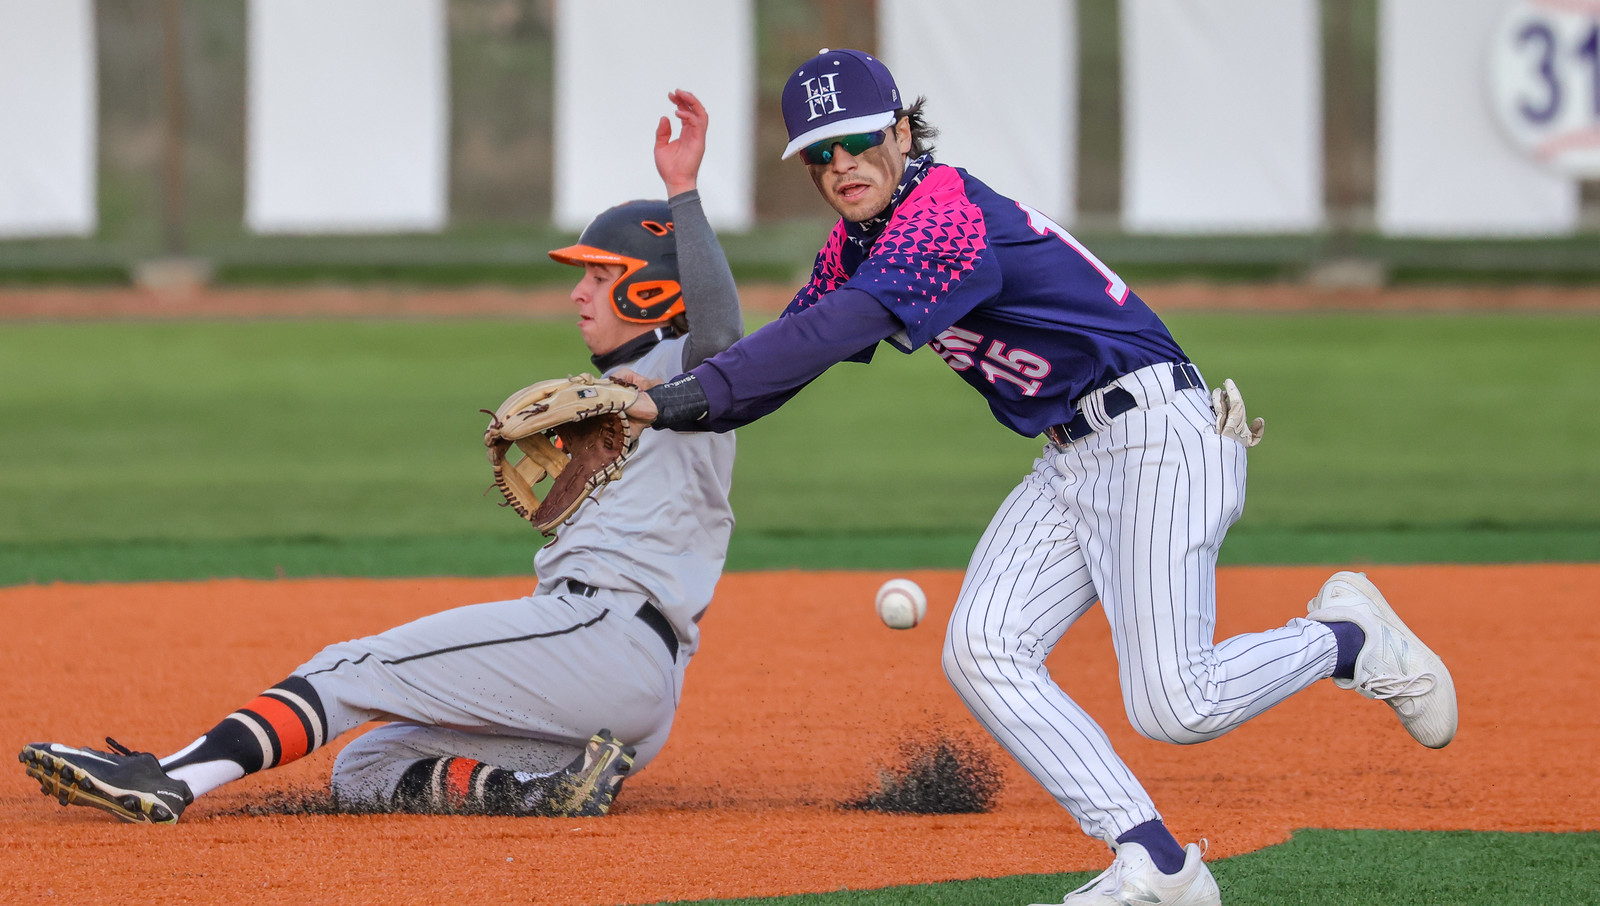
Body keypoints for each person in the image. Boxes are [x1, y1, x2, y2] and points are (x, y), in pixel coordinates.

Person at [620, 50, 1457, 906]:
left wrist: (682, 399)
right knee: (984, 648)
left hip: (1157, 437)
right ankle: (1157, 864)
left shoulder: (945, 214)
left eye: (859, 141)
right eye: (819, 154)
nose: (842, 166)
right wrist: (672, 364)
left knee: (1177, 705)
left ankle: (1348, 639)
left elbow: (837, 329)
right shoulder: (858, 242)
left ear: (902, 131)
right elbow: (775, 359)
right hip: (1072, 456)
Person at [19, 90, 743, 825]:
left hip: (604, 642)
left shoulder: (696, 372)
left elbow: (720, 331)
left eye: (599, 274)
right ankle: (541, 792)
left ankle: (171, 778)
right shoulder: (616, 392)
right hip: (615, 688)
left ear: (652, 288)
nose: (577, 292)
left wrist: (683, 192)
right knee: (368, 765)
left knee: (350, 667)